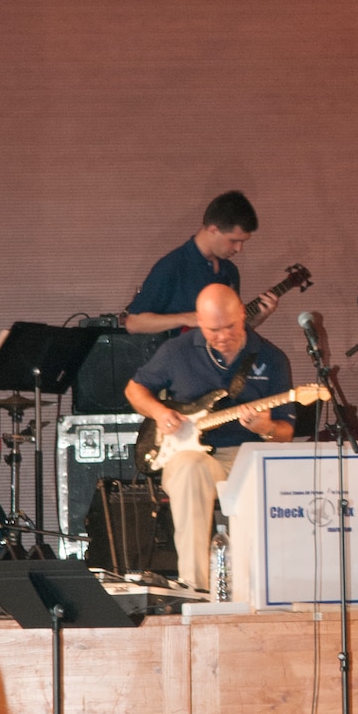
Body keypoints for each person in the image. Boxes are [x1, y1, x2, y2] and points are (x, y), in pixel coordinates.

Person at [124, 284, 298, 591]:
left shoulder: (272, 358)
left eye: (230, 326)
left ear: (243, 314)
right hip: (197, 456)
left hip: (250, 457)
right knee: (188, 469)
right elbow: (134, 389)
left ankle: (262, 589)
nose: (222, 336)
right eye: (212, 329)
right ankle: (196, 588)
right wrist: (159, 412)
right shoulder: (177, 351)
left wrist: (265, 428)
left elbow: (285, 433)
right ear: (198, 323)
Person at [124, 191, 278, 336]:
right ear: (213, 230)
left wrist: (257, 318)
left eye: (242, 242)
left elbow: (227, 333)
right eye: (234, 240)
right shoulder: (173, 265)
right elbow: (134, 323)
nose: (239, 248)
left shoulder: (230, 271)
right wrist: (186, 318)